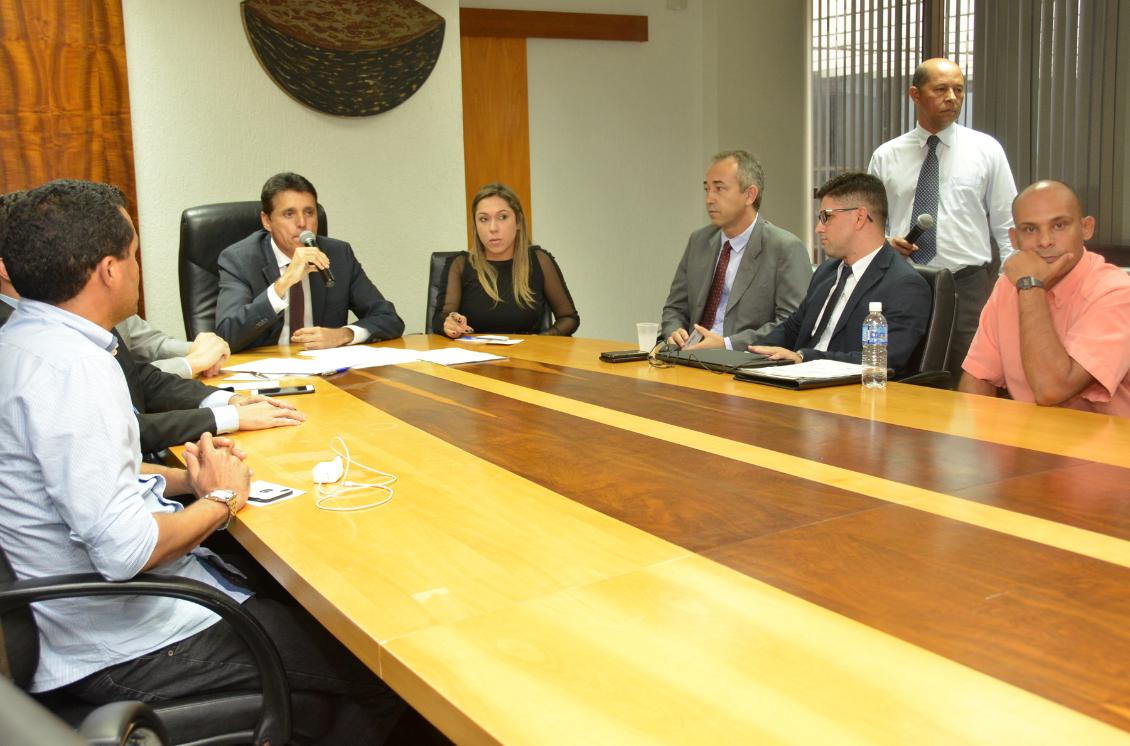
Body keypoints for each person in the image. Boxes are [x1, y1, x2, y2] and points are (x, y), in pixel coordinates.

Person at [0, 179, 405, 743]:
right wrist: (221, 499)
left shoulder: (24, 343)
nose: (140, 270)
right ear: (109, 271)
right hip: (133, 638)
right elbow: (127, 551)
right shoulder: (75, 371)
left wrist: (183, 477)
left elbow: (79, 475)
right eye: (135, 254)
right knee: (380, 667)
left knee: (305, 609)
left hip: (96, 618)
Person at [0, 192, 303, 455]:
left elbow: (140, 377)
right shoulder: (60, 354)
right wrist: (227, 422)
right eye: (131, 256)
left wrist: (231, 400)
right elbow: (124, 435)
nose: (137, 269)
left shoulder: (78, 318)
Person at [868, 57, 1017, 384]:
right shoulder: (887, 155)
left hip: (968, 284)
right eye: (941, 89)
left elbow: (1008, 226)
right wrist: (885, 242)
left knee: (972, 378)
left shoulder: (986, 150)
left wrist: (1005, 286)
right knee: (909, 376)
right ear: (915, 95)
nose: (952, 97)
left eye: (959, 90)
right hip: (906, 280)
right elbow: (869, 224)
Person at [960, 181, 1130, 416]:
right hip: (1031, 440)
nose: (1045, 241)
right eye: (1030, 229)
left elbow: (1051, 389)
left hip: (1108, 446)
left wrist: (1031, 286)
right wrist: (973, 446)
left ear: (1086, 228)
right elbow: (979, 378)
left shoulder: (1116, 292)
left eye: (1059, 225)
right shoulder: (1009, 285)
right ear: (1014, 238)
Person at [750, 172, 931, 373]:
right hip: (798, 381)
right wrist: (749, 355)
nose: (819, 228)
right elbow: (792, 328)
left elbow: (881, 360)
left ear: (859, 217)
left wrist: (804, 358)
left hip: (850, 394)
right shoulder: (827, 271)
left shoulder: (904, 285)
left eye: (826, 217)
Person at [216, 172, 404, 353]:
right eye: (289, 214)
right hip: (263, 375)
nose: (302, 223)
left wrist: (343, 335)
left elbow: (389, 319)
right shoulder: (239, 260)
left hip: (325, 372)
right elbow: (226, 336)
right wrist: (284, 283)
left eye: (309, 212)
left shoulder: (338, 255)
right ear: (267, 221)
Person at [661, 150, 811, 352]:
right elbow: (675, 308)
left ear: (750, 195)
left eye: (719, 189)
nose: (709, 199)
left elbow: (791, 324)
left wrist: (727, 345)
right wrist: (675, 331)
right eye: (707, 189)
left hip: (746, 364)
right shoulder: (699, 241)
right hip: (691, 357)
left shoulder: (785, 248)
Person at [436, 183, 579, 337]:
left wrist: (543, 340)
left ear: (518, 221)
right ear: (476, 226)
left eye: (502, 217)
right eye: (483, 219)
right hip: (475, 356)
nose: (493, 228)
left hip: (528, 356)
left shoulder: (539, 261)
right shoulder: (460, 264)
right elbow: (440, 319)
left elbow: (569, 318)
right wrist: (448, 324)